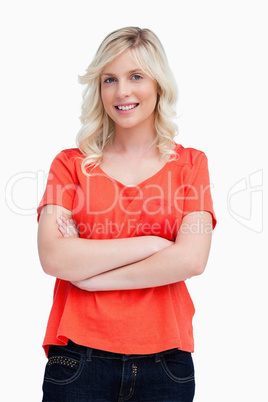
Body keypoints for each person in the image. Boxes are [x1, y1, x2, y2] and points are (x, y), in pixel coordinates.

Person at [37, 26, 216, 402]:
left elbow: (192, 258)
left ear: (158, 85)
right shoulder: (70, 166)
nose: (122, 92)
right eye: (109, 79)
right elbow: (54, 256)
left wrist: (92, 278)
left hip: (166, 362)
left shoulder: (191, 165)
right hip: (77, 359)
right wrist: (153, 244)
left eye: (136, 76)